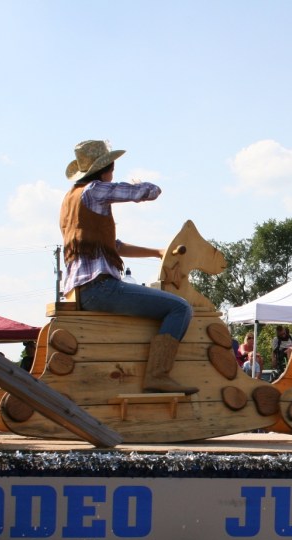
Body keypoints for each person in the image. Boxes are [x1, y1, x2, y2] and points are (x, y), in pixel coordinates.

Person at [59, 139, 197, 393]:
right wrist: (138, 185)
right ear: (106, 169)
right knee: (180, 308)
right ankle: (157, 375)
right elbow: (150, 191)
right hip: (99, 288)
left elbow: (115, 246)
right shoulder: (95, 190)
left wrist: (157, 252)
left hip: (79, 290)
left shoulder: (70, 200)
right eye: (112, 168)